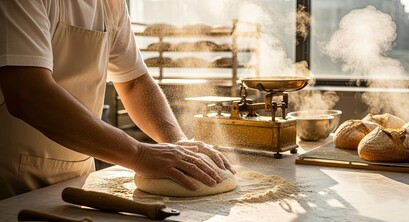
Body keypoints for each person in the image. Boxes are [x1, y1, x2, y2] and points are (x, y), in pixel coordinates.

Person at [0, 0, 235, 200]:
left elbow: (134, 82)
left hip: (77, 178)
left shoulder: (110, 3)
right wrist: (139, 154)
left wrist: (176, 143)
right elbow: (27, 92)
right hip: (13, 185)